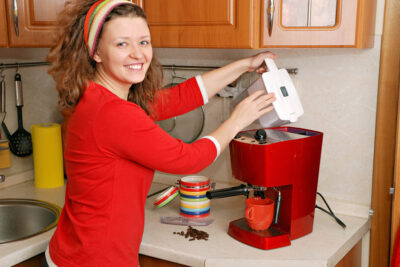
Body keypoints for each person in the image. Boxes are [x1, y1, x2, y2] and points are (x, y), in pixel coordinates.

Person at [44, 0, 276, 266]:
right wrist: (237, 122)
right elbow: (187, 159)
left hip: (73, 251)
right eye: (122, 44)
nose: (138, 54)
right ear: (96, 52)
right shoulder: (113, 113)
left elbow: (180, 97)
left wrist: (245, 65)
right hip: (94, 259)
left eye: (143, 42)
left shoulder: (100, 97)